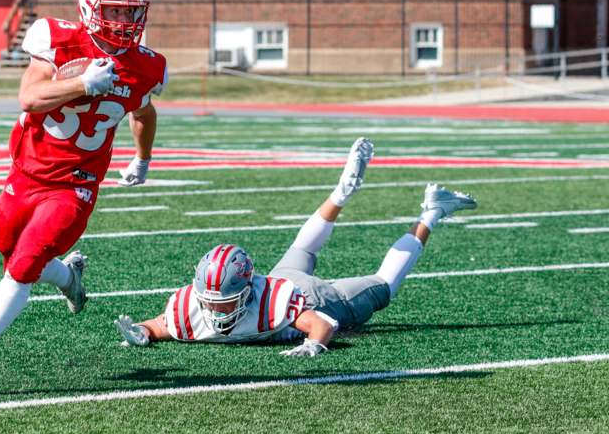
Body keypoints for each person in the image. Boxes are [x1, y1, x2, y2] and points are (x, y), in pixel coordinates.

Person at [0, 0, 167, 384]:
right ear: (91, 8)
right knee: (13, 255)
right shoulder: (56, 38)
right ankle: (68, 276)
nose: (124, 22)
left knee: (22, 267)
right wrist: (83, 84)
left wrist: (142, 158)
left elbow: (143, 112)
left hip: (76, 183)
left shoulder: (145, 67)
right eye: (114, 10)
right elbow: (29, 96)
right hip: (26, 172)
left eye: (131, 13)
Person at [114, 138, 477, 356]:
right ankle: (340, 194)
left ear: (244, 292)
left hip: (310, 296)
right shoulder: (189, 307)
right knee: (302, 249)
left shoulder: (272, 305)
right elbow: (160, 325)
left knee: (384, 285)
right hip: (280, 278)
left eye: (220, 302)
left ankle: (432, 211)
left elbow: (319, 325)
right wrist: (140, 333)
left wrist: (314, 344)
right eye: (208, 300)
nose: (212, 308)